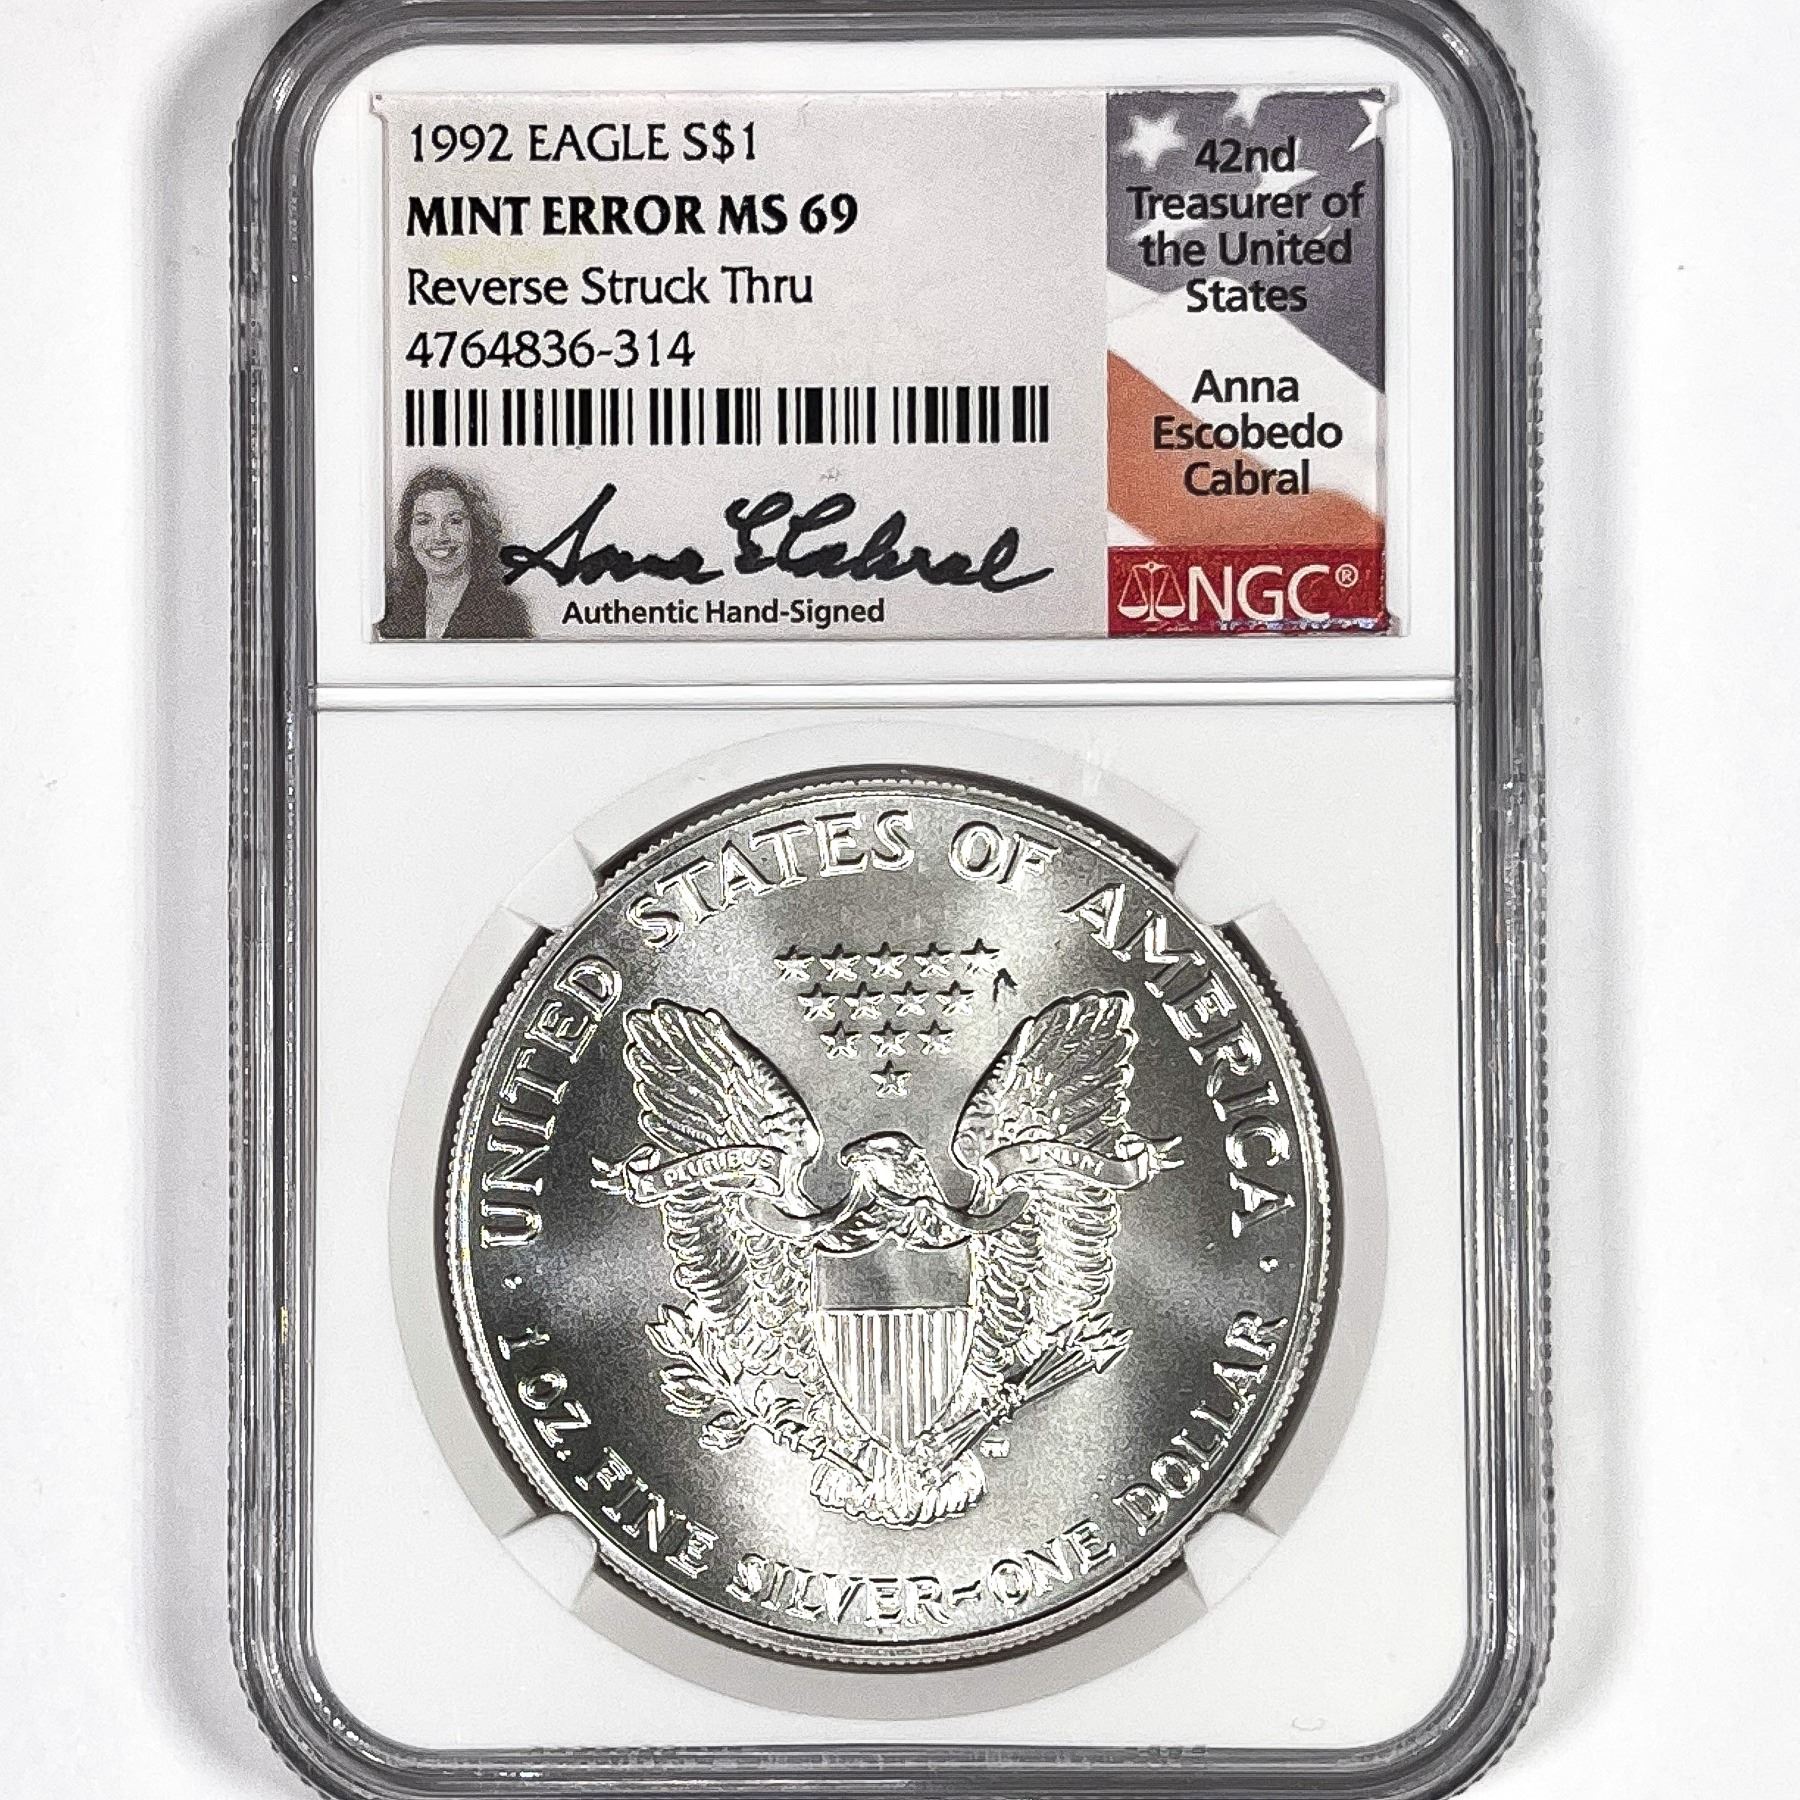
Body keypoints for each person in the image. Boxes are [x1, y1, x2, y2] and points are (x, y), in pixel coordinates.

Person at [378, 466, 531, 639]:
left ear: (475, 532)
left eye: (454, 521)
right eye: (424, 521)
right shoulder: (392, 607)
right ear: (408, 534)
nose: (439, 536)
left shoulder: (505, 611)